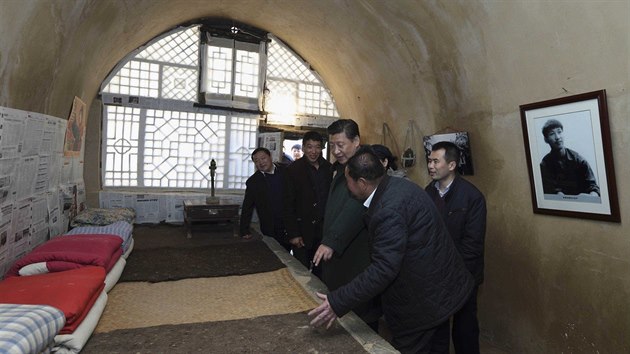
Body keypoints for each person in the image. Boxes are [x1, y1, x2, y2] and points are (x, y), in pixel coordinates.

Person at [309, 146, 475, 354]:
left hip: (425, 300)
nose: (347, 187)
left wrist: (338, 301)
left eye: (348, 181)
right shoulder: (396, 185)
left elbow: (384, 268)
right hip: (441, 293)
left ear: (362, 183)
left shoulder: (388, 211)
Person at [312, 119, 381, 331]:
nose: (336, 151)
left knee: (361, 315)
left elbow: (356, 206)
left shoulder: (364, 167)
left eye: (340, 145)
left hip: (356, 251)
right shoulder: (343, 168)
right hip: (340, 252)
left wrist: (331, 241)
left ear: (356, 141)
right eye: (332, 145)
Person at [425, 141, 487, 354]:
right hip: (434, 274)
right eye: (429, 160)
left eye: (435, 161)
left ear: (451, 165)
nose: (430, 165)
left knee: (465, 328)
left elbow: (473, 244)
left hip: (464, 275)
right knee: (435, 328)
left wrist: (451, 271)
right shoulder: (428, 192)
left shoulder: (472, 197)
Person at [283, 131, 332, 277]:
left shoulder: (329, 168)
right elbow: (287, 203)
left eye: (317, 147)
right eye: (309, 147)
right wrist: (293, 233)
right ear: (303, 148)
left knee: (321, 272)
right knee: (301, 272)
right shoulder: (293, 169)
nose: (313, 151)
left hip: (323, 231)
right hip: (301, 231)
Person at [240, 147, 291, 251]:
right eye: (256, 161)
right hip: (270, 227)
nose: (261, 163)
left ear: (270, 157)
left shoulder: (286, 170)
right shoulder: (253, 182)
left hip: (290, 224)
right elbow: (247, 207)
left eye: (263, 158)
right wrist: (244, 230)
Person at [539, 119, 600, 196]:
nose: (557, 137)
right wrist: (558, 194)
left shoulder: (579, 160)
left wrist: (591, 196)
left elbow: (594, 188)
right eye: (552, 134)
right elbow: (547, 190)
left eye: (559, 132)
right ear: (546, 139)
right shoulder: (545, 164)